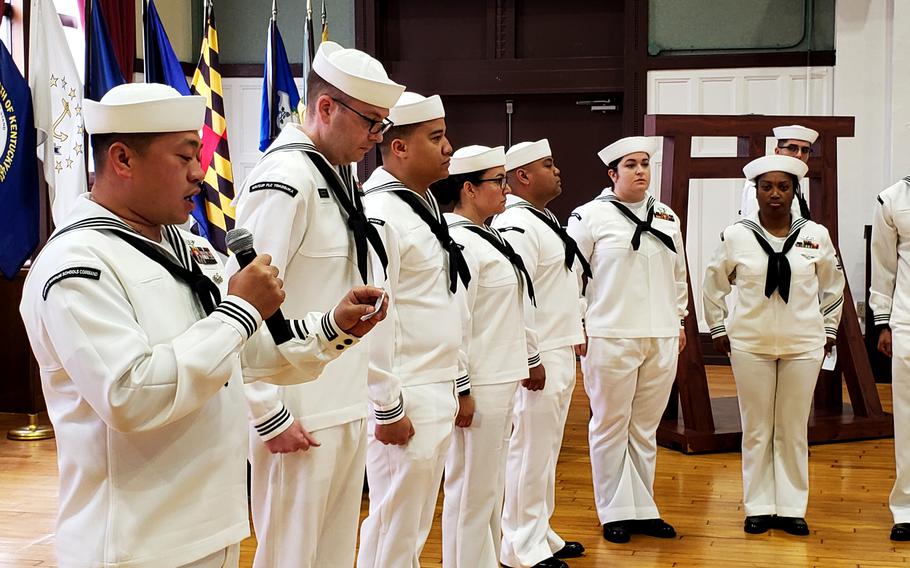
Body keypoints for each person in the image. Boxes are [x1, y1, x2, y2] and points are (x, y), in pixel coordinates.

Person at [18, 83, 384, 568]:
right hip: (134, 543)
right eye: (184, 156)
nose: (200, 173)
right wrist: (238, 312)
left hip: (212, 525)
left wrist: (331, 328)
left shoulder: (183, 244)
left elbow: (240, 356)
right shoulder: (77, 265)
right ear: (123, 160)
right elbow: (130, 394)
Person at [231, 40, 401, 568]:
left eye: (383, 126)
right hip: (296, 405)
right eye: (371, 123)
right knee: (289, 553)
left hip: (341, 395)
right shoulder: (285, 178)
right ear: (325, 108)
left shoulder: (336, 173)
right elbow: (243, 302)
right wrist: (265, 410)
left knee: (331, 553)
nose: (377, 139)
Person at [704, 154, 845, 536]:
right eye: (767, 187)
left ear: (795, 191)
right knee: (757, 427)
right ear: (756, 192)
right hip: (751, 343)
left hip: (804, 344)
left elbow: (833, 284)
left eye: (783, 186)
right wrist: (717, 327)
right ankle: (759, 505)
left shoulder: (816, 234)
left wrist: (829, 329)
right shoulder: (737, 235)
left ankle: (791, 506)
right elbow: (713, 281)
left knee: (793, 428)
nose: (775, 194)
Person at [358, 92, 464, 568]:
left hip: (434, 379)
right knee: (393, 524)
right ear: (398, 147)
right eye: (436, 138)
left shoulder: (420, 205)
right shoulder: (382, 214)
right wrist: (386, 405)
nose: (448, 149)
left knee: (413, 523)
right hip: (408, 386)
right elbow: (374, 317)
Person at [566, 136, 687, 544]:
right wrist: (577, 325)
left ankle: (643, 508)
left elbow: (678, 275)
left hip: (661, 334)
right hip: (610, 334)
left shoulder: (667, 215)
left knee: (644, 427)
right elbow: (572, 279)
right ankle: (614, 510)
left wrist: (681, 320)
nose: (640, 171)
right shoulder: (589, 217)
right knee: (610, 424)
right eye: (631, 165)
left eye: (645, 164)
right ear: (612, 174)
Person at [431, 145, 539, 568]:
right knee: (471, 489)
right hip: (480, 379)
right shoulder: (459, 240)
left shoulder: (487, 235)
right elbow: (455, 320)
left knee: (489, 486)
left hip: (500, 375)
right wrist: (462, 387)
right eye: (498, 181)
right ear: (470, 189)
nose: (506, 188)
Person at [492, 139, 588, 568]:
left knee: (545, 451)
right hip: (540, 353)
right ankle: (518, 545)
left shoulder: (542, 219)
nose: (558, 170)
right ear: (522, 177)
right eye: (548, 164)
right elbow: (518, 293)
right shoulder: (517, 224)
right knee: (529, 450)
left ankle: (539, 532)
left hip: (559, 345)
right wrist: (529, 356)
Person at [870, 173, 910, 541]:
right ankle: (907, 509)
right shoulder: (892, 199)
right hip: (907, 322)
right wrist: (882, 322)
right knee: (908, 419)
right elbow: (883, 267)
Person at [740, 124, 818, 220]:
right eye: (792, 148)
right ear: (777, 151)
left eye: (805, 150)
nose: (799, 155)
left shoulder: (793, 180)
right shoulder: (761, 181)